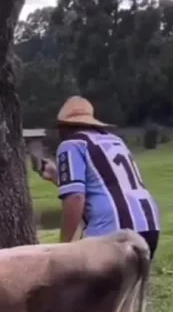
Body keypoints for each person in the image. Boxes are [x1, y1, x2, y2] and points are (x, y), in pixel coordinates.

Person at [33, 96, 160, 258]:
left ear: (65, 126)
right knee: (130, 284)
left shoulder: (71, 144)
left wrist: (63, 249)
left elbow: (76, 198)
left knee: (85, 281)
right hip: (149, 225)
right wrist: (57, 177)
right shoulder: (116, 141)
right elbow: (108, 185)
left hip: (114, 233)